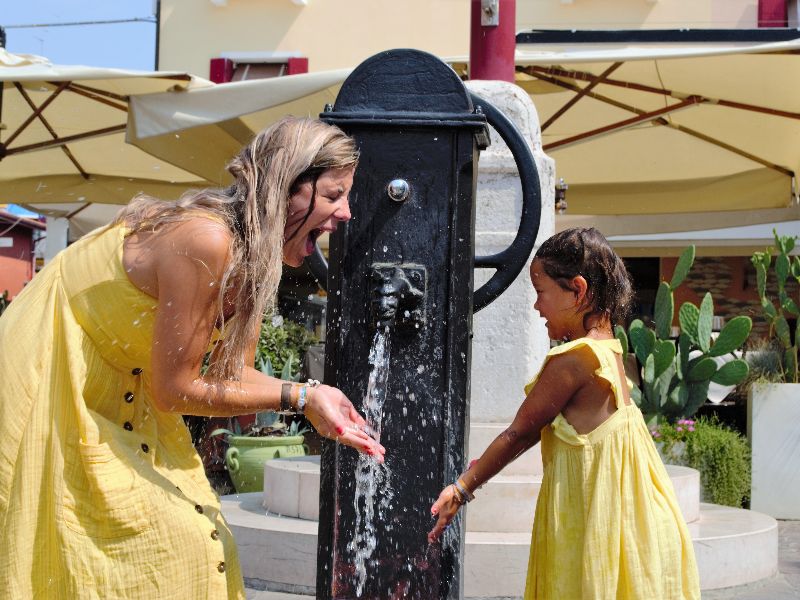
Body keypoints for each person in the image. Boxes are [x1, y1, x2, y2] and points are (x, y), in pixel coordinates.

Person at [0, 116, 385, 599]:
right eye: (333, 195)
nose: (347, 213)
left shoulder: (256, 258)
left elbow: (231, 373)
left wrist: (315, 399)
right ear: (287, 188)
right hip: (54, 363)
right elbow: (175, 390)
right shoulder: (207, 239)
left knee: (193, 542)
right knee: (147, 543)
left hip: (121, 379)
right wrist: (302, 395)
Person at [428, 228, 700, 599]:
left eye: (541, 293)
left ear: (578, 290)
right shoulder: (612, 351)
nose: (536, 307)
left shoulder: (574, 359)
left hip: (595, 532)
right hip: (637, 531)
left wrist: (461, 489)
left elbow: (519, 434)